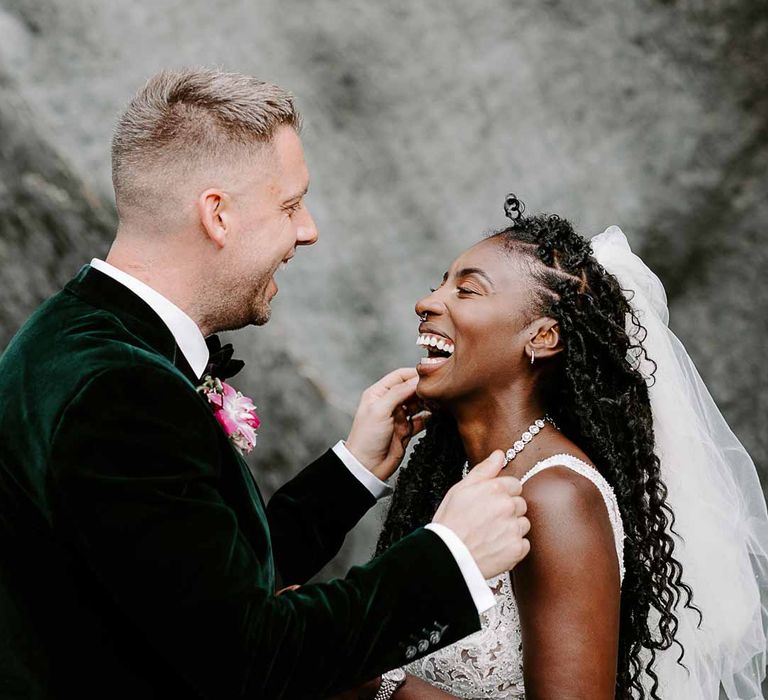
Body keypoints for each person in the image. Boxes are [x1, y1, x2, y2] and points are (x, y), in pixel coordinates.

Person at [0, 71, 533, 700]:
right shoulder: (120, 394)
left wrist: (351, 471)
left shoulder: (73, 335)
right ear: (218, 215)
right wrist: (451, 558)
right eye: (289, 205)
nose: (306, 230)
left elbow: (188, 582)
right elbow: (246, 660)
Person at [375, 197, 768, 699]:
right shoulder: (463, 476)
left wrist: (376, 683)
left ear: (542, 336)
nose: (428, 302)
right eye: (440, 283)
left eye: (467, 290)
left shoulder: (556, 496)